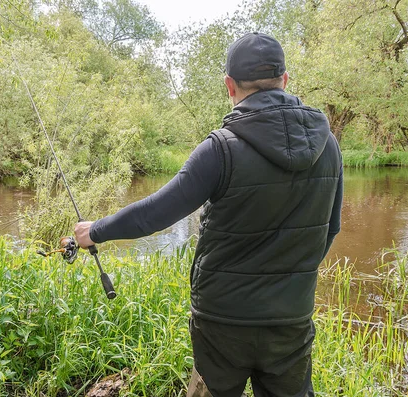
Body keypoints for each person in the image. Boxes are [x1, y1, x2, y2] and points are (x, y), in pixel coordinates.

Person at [75, 32, 343, 397]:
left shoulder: (219, 149)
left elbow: (155, 214)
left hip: (221, 320)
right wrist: (291, 282)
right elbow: (331, 230)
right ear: (285, 80)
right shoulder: (328, 146)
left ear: (229, 86)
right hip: (291, 319)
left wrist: (96, 231)